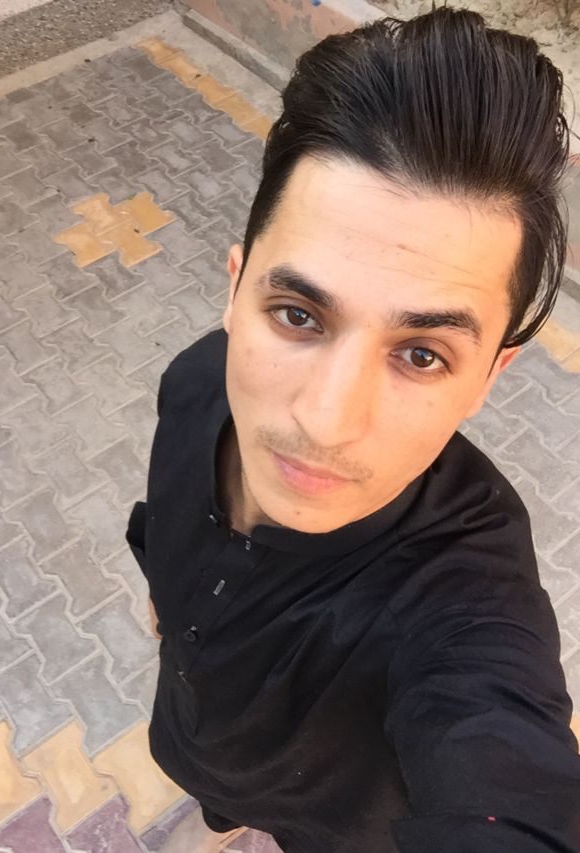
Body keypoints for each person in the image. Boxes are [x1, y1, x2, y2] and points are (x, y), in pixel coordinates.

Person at [126, 6, 580, 852]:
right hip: (190, 738)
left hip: (324, 826)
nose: (326, 423)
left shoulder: (468, 595)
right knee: (213, 792)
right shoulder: (194, 379)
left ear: (490, 375)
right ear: (235, 291)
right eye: (298, 315)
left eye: (422, 354)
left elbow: (504, 758)